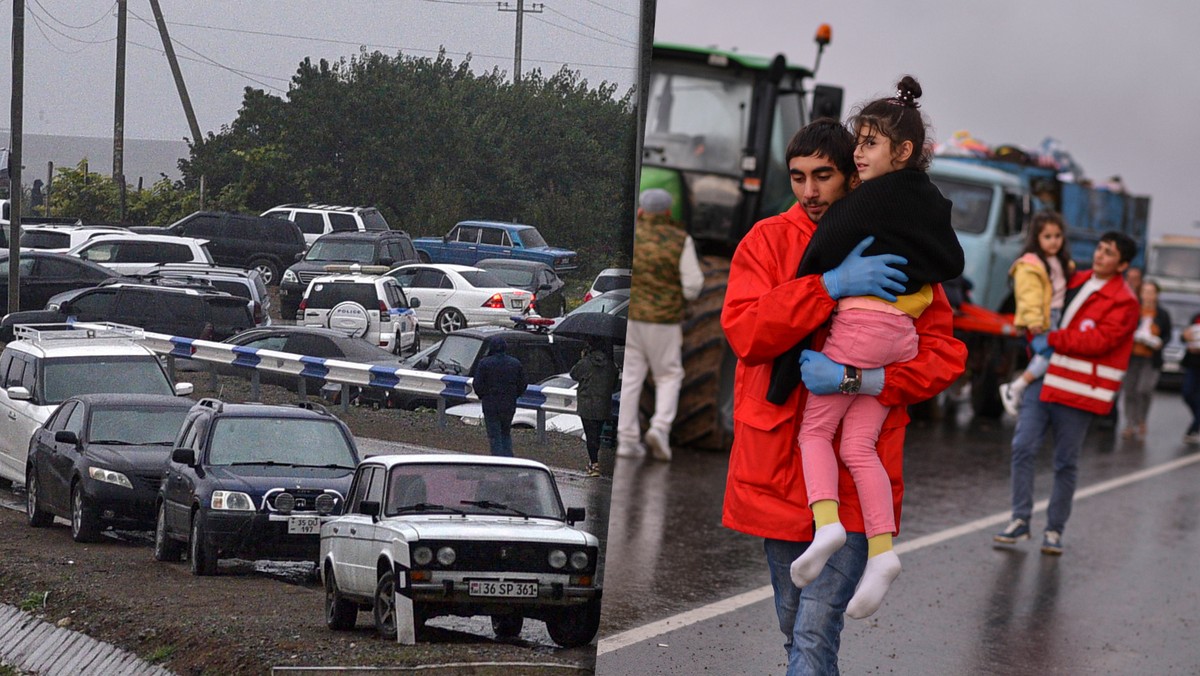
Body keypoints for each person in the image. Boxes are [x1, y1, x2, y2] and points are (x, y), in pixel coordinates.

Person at [722, 118, 966, 674]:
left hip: (857, 473)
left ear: (852, 177)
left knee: (813, 632)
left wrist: (870, 382)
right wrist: (828, 286)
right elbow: (746, 334)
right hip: (779, 468)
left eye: (823, 176)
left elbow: (943, 354)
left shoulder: (900, 247)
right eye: (798, 177)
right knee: (794, 626)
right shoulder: (765, 241)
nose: (809, 191)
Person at [785, 76, 964, 620]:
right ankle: (883, 553)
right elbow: (952, 262)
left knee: (815, 431)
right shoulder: (931, 201)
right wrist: (917, 278)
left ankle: (828, 524)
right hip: (899, 340)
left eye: (868, 143)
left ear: (902, 151)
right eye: (858, 142)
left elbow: (828, 243)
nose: (857, 153)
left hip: (859, 327)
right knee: (859, 447)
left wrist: (819, 277)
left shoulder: (873, 197)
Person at [994, 231, 1140, 555]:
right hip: (1043, 381)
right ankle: (1019, 519)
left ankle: (1054, 529)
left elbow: (1099, 342)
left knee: (1065, 462)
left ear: (1123, 264)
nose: (1100, 255)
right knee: (1022, 447)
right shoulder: (1074, 278)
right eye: (1100, 249)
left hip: (1077, 391)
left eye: (1109, 253)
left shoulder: (1125, 302)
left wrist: (1055, 339)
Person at [616, 188, 704, 462]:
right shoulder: (680, 239)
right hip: (664, 321)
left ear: (641, 210)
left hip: (632, 320)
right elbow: (693, 286)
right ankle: (660, 429)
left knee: (631, 378)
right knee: (668, 376)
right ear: (667, 212)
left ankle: (627, 441)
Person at [998, 211, 1075, 416]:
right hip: (1043, 317)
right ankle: (1015, 387)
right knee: (1049, 353)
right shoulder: (1031, 264)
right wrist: (1034, 320)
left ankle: (1021, 389)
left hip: (1056, 315)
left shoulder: (1059, 261)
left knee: (1049, 355)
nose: (1053, 242)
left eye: (1058, 236)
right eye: (1047, 237)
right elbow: (1028, 294)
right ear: (1036, 238)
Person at [1121, 280, 1171, 439]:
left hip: (1151, 359)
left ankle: (1141, 419)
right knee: (1130, 390)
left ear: (1156, 295)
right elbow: (1124, 328)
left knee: (1144, 389)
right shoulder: (1134, 310)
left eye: (1151, 292)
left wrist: (1159, 342)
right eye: (1145, 291)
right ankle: (1130, 423)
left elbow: (1167, 334)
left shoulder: (1162, 314)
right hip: (1132, 356)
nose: (1148, 295)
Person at [570, 336, 619, 477]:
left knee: (590, 435)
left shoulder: (585, 363)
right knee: (597, 434)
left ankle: (594, 464)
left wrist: (582, 357)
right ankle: (596, 462)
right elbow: (614, 383)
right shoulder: (611, 365)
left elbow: (574, 374)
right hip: (604, 405)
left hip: (587, 405)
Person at [472, 336, 527, 457]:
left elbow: (477, 384)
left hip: (490, 404)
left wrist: (483, 396)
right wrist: (514, 395)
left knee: (494, 435)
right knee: (505, 432)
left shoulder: (484, 363)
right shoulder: (515, 363)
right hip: (509, 404)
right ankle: (508, 458)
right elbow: (522, 384)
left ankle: (498, 460)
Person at [1182, 312, 1200, 444]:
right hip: (1193, 363)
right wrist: (1185, 337)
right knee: (1187, 393)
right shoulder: (1196, 316)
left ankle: (1193, 429)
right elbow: (1185, 336)